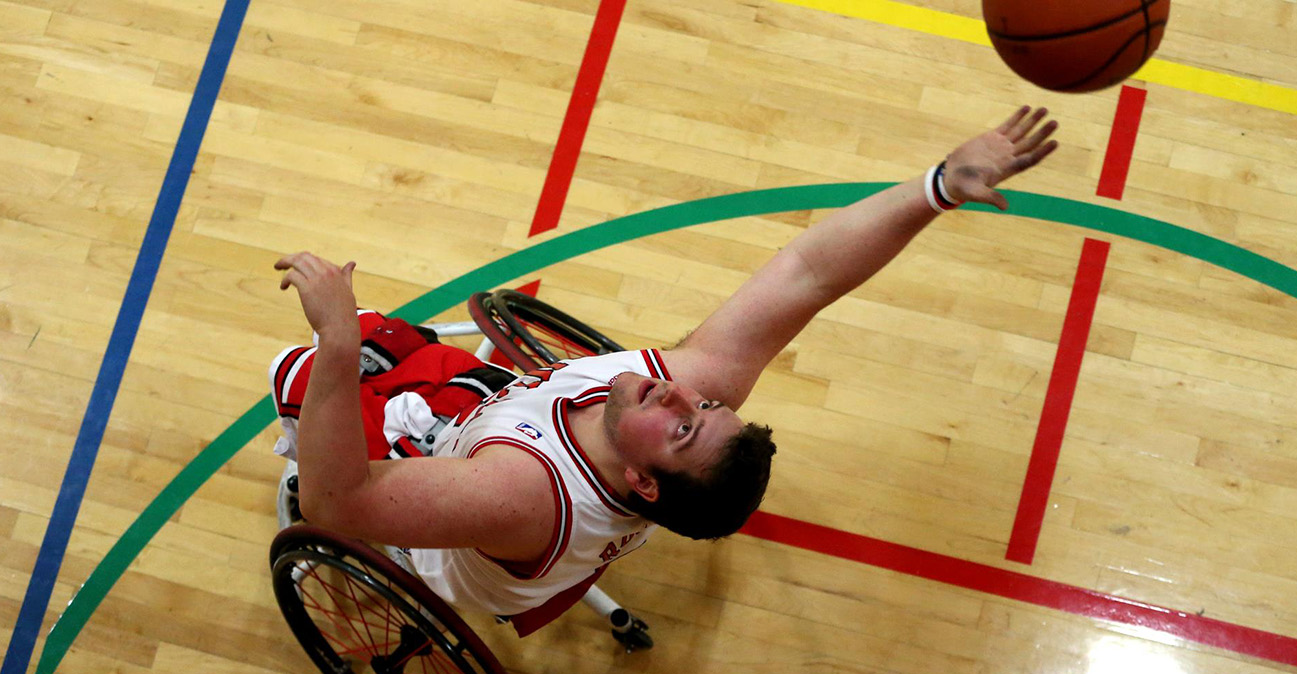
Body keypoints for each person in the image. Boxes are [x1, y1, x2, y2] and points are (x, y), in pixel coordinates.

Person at [271, 106, 1058, 632]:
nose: (682, 388)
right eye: (704, 405)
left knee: (304, 372)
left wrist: (338, 346)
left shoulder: (515, 491)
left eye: (683, 424)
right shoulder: (673, 408)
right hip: (508, 455)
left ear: (645, 483)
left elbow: (342, 504)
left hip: (453, 516)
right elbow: (809, 274)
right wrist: (936, 189)